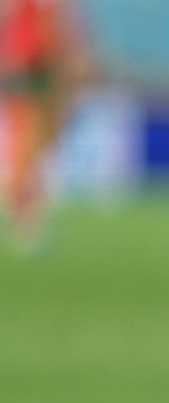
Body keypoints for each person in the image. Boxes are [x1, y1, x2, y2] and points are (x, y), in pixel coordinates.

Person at [0, 0, 89, 249]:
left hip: (41, 68)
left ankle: (28, 216)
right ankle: (25, 219)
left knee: (37, 147)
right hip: (30, 68)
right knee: (27, 148)